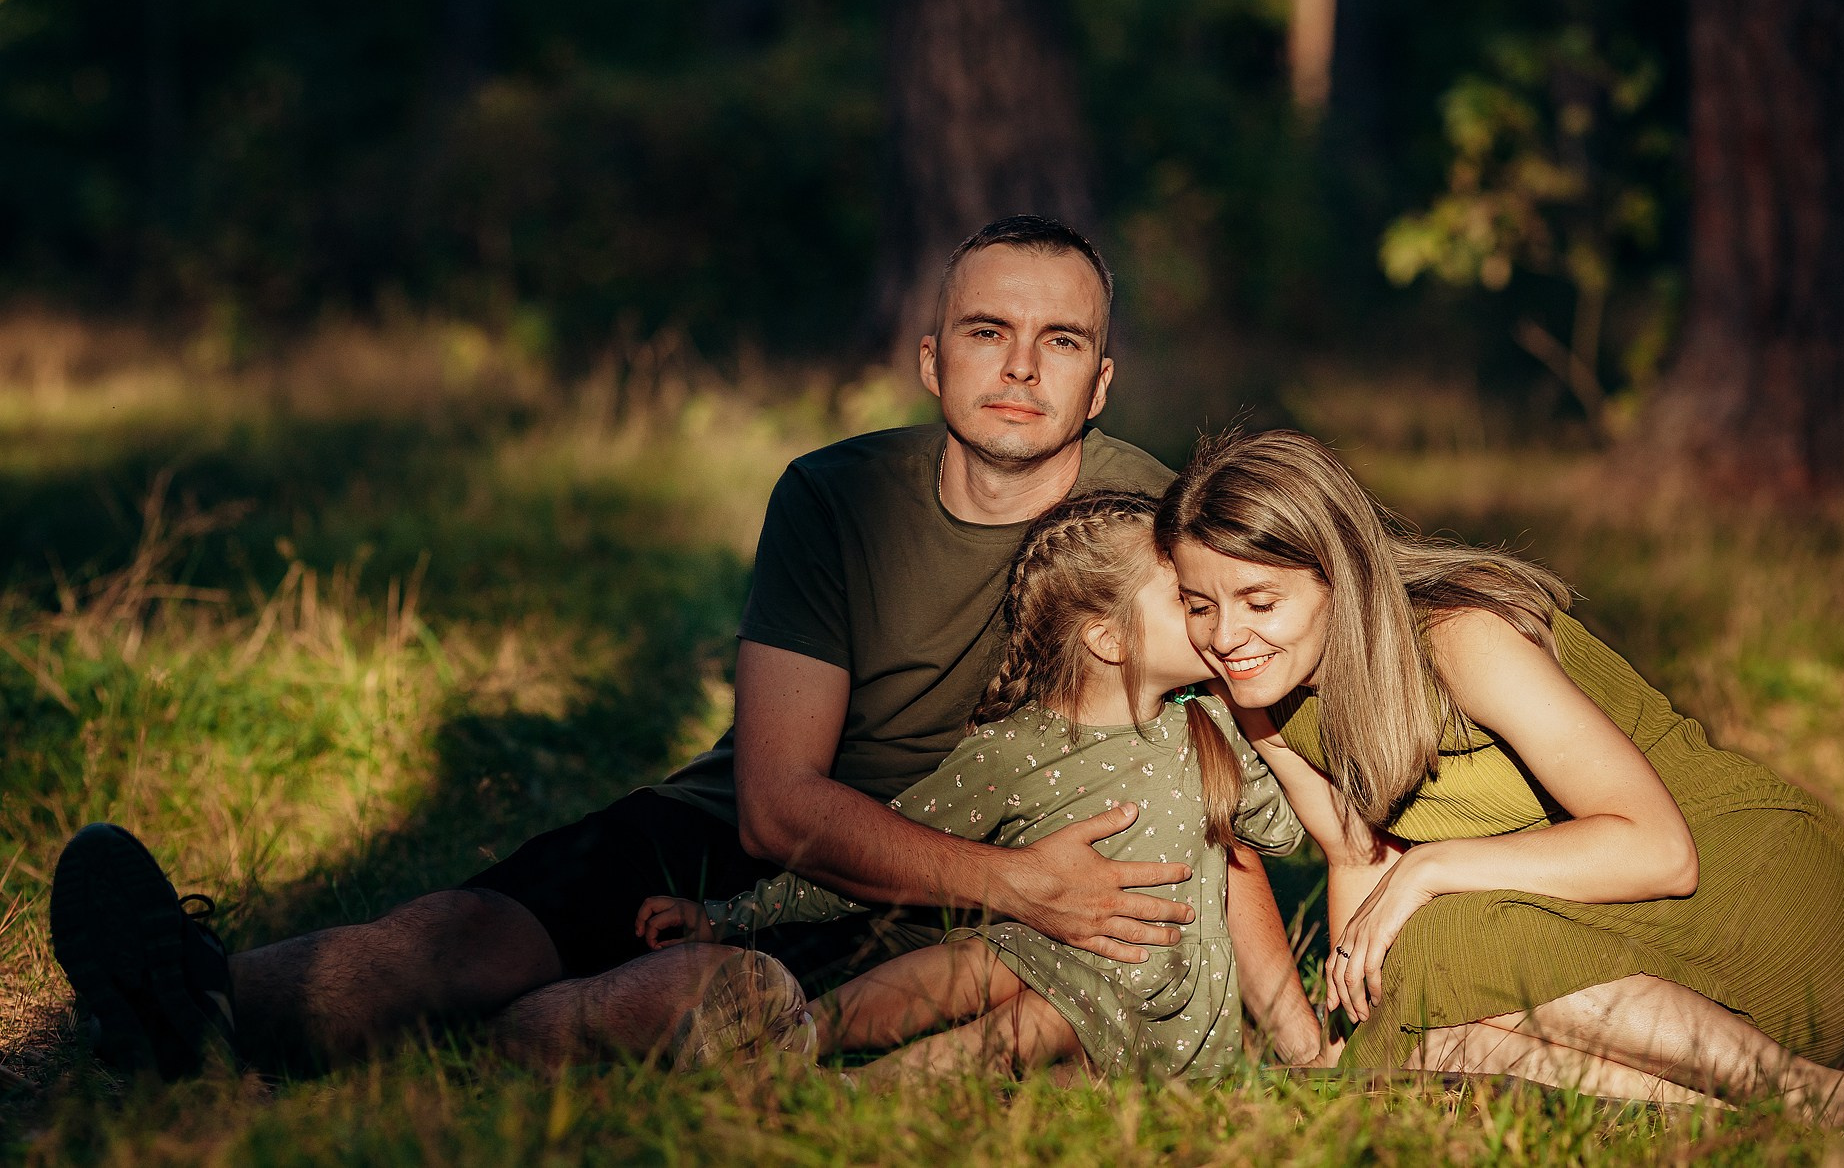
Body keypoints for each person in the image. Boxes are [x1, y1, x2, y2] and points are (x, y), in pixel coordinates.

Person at [48, 216, 1320, 1078]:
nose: (1022, 370)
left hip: (972, 868)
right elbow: (774, 806)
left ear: (1101, 382)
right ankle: (205, 1000)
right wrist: (1018, 885)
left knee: (711, 1001)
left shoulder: (1161, 518)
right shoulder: (837, 498)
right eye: (989, 332)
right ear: (934, 358)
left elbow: (1291, 642)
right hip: (785, 829)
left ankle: (504, 1045)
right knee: (477, 928)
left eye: (1063, 343)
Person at [1155, 428, 1844, 1123]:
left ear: (1339, 579)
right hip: (1610, 948)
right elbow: (1356, 856)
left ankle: (1780, 1084)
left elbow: (1663, 852)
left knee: (1440, 938)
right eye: (1198, 605)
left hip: (1753, 892)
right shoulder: (1263, 694)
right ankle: (1778, 1110)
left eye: (1260, 602)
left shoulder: (1460, 638)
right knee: (1419, 1052)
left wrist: (1430, 870)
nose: (1224, 637)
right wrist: (1364, 1018)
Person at [636, 491, 1304, 1082]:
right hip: (1050, 956)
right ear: (1107, 639)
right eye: (1190, 603)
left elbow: (1283, 827)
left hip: (1155, 1004)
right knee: (977, 962)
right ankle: (793, 1036)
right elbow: (869, 851)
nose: (1215, 624)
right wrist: (729, 916)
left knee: (1040, 1013)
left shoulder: (1210, 726)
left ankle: (855, 1092)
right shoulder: (1012, 754)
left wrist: (1258, 716)